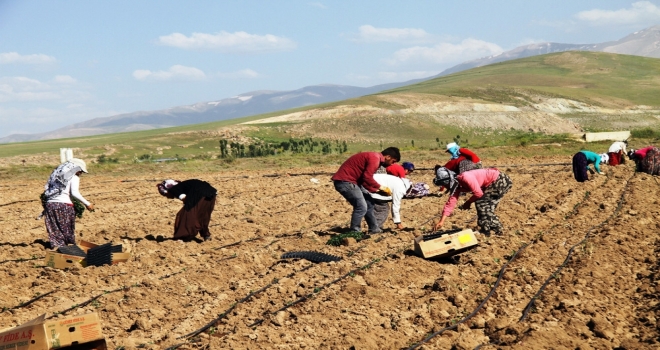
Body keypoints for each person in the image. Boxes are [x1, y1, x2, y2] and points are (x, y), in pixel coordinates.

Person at [331, 147, 400, 233]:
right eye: (393, 161)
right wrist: (380, 187)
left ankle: (374, 229)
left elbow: (364, 180)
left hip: (353, 182)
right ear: (388, 157)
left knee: (369, 203)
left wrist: (376, 191)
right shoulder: (375, 158)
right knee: (361, 206)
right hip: (345, 182)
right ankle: (355, 231)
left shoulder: (374, 157)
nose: (391, 164)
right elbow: (367, 177)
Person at [432, 167, 512, 235]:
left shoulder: (465, 177)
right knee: (485, 206)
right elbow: (450, 203)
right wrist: (441, 221)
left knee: (481, 203)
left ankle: (491, 229)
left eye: (445, 185)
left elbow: (478, 193)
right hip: (493, 183)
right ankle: (491, 229)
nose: (445, 187)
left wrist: (468, 202)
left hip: (500, 180)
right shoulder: (455, 185)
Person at [42, 158, 94, 249]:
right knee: (66, 229)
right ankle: (69, 250)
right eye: (80, 171)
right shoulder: (73, 177)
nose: (80, 173)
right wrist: (87, 203)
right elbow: (74, 193)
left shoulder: (55, 175)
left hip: (50, 205)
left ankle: (58, 248)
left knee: (55, 229)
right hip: (64, 206)